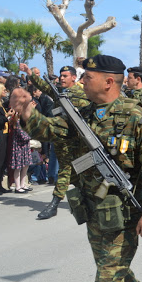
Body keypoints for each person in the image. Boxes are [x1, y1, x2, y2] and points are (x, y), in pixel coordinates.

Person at [11, 54, 142, 282]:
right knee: (109, 266)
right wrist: (27, 110)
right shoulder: (83, 114)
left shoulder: (135, 117)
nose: (82, 81)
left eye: (88, 77)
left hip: (123, 214)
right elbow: (51, 130)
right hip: (94, 209)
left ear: (109, 81)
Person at [20, 63, 90, 220]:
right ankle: (88, 199)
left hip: (75, 141)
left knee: (66, 171)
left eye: (65, 76)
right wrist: (30, 73)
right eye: (61, 76)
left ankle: (54, 204)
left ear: (74, 77)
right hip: (60, 138)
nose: (62, 78)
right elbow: (45, 86)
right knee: (74, 175)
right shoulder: (60, 92)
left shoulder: (81, 94)